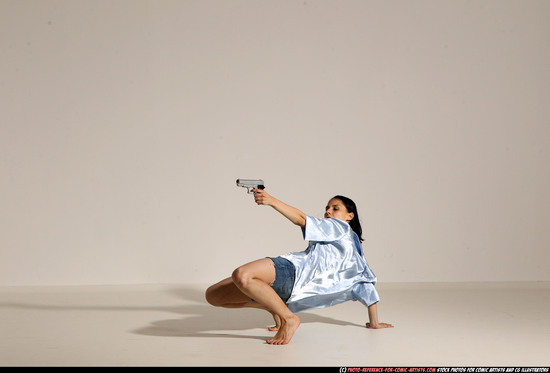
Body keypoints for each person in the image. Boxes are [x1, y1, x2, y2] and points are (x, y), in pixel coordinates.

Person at [205, 189, 393, 345]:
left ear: (349, 216)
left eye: (335, 208)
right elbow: (366, 283)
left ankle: (288, 318)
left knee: (242, 275)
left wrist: (271, 200)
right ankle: (273, 306)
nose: (328, 212)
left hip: (291, 271)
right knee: (213, 296)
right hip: (289, 290)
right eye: (327, 208)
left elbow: (301, 219)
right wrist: (374, 323)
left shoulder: (339, 226)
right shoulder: (353, 251)